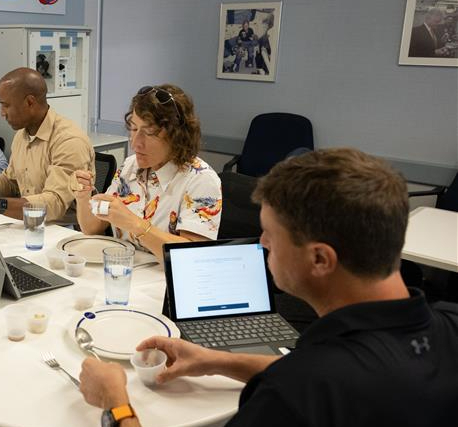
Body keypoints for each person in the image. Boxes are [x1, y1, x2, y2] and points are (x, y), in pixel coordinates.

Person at [78, 148, 457, 427]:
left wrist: (116, 404)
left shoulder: (292, 397)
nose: (261, 245)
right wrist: (218, 360)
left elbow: (312, 381)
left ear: (320, 260)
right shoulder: (448, 328)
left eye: (271, 235)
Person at [73, 84, 221, 260]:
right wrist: (83, 196)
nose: (135, 143)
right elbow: (91, 228)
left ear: (177, 136)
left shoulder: (201, 180)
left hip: (162, 282)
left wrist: (134, 224)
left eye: (149, 133)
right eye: (134, 129)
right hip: (123, 273)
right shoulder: (130, 167)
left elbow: (191, 257)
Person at [0, 67, 94, 222]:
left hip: (63, 230)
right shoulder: (23, 134)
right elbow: (11, 183)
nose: (2, 113)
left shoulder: (68, 140)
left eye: (6, 105)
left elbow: (54, 204)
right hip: (29, 222)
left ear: (30, 102)